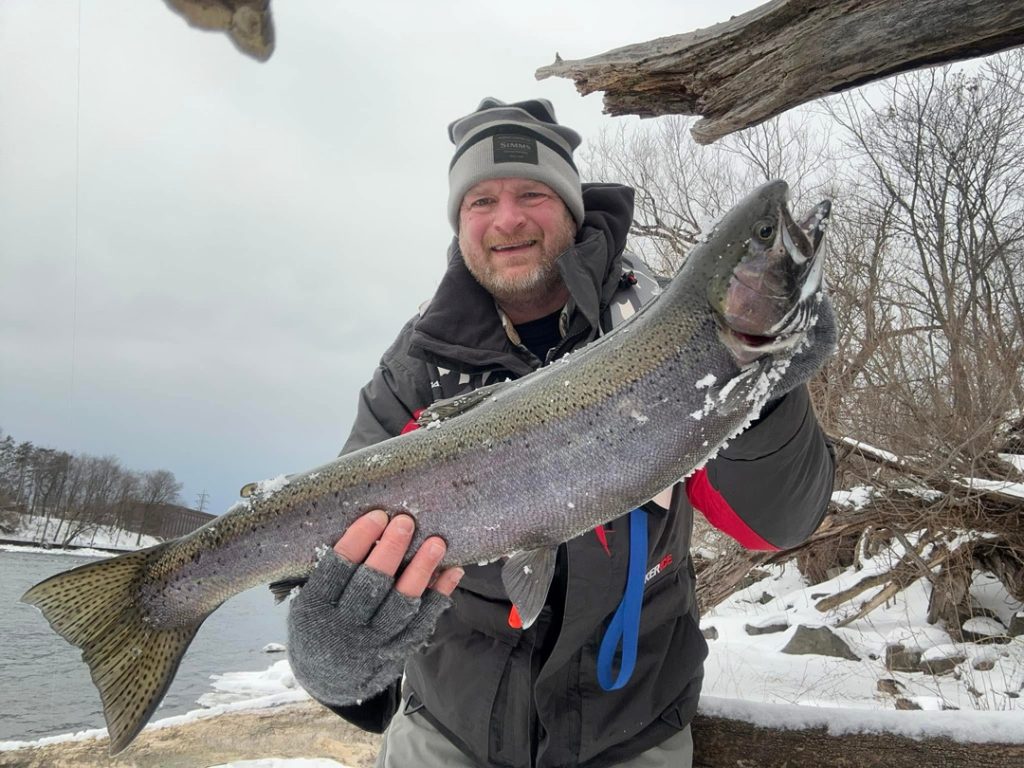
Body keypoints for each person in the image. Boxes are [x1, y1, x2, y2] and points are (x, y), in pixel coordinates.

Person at [286, 97, 836, 767]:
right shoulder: (417, 366)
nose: (507, 218)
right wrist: (337, 671)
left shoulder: (667, 327)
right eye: (480, 200)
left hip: (633, 729)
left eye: (531, 194)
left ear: (572, 209)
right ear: (459, 222)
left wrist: (768, 396)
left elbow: (772, 527)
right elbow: (324, 545)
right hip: (448, 728)